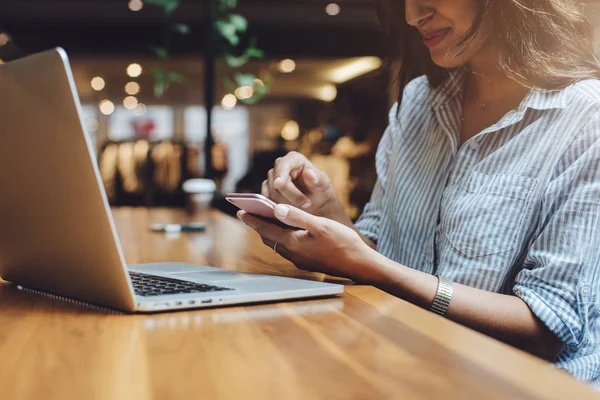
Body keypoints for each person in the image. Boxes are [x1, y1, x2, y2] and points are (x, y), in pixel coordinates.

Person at [237, 0, 600, 387]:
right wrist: (327, 213)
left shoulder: (584, 120)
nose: (413, 15)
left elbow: (546, 328)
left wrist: (365, 264)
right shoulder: (417, 103)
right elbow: (378, 250)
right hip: (405, 363)